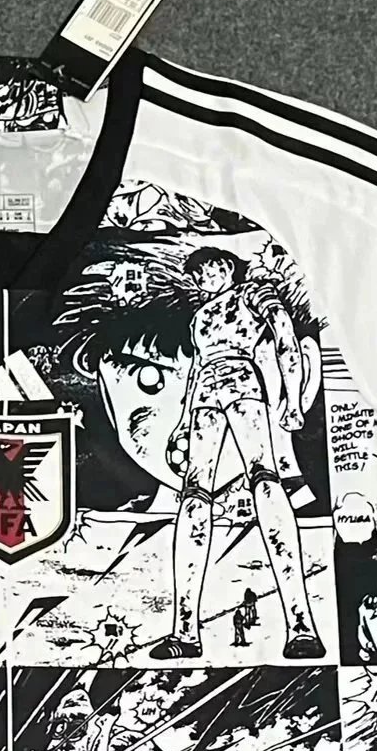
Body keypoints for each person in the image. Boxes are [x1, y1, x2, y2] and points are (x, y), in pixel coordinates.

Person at [151, 248, 326, 663]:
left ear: (227, 266)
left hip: (244, 385)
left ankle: (301, 625)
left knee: (265, 479)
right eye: (197, 274)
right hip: (205, 398)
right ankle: (185, 631)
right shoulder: (200, 319)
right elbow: (197, 371)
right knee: (194, 496)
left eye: (209, 268)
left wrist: (293, 396)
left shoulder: (252, 293)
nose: (203, 278)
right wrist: (182, 423)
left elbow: (284, 336)